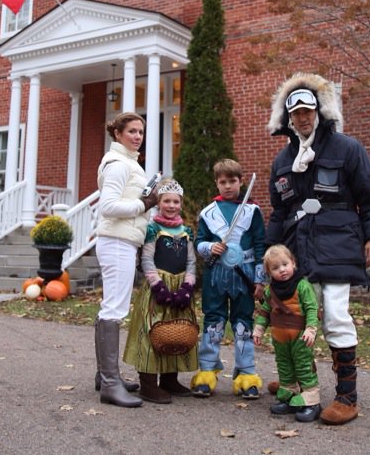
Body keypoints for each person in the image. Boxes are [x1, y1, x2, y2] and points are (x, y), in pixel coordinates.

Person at [265, 73, 370, 425]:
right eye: (296, 114)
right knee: (291, 316)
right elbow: (280, 212)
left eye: (308, 110)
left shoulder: (348, 149)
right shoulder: (281, 161)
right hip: (296, 248)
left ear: (319, 111)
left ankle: (347, 397)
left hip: (339, 244)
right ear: (288, 119)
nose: (302, 118)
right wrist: (269, 254)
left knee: (335, 316)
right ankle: (297, 382)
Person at [92, 111, 160, 408]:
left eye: (141, 132)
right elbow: (107, 206)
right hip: (116, 241)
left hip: (122, 240)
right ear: (117, 134)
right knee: (114, 308)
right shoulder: (119, 164)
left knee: (111, 305)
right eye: (131, 131)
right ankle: (109, 383)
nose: (137, 136)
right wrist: (143, 203)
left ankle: (105, 376)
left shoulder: (128, 163)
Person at [191, 158, 266, 399]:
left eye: (232, 181)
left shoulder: (252, 211)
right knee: (213, 322)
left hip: (243, 274)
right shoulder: (208, 212)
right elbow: (199, 241)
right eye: (223, 182)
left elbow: (259, 245)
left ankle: (246, 373)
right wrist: (209, 247)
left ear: (241, 182)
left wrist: (259, 280)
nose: (228, 186)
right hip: (216, 276)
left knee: (243, 324)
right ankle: (207, 371)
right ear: (217, 183)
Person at [123, 178, 198, 403]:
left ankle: (169, 378)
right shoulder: (153, 228)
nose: (171, 205)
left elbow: (192, 261)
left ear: (181, 204)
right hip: (159, 288)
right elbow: (146, 258)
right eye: (167, 201)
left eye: (176, 201)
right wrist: (157, 286)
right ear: (159, 203)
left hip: (180, 287)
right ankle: (147, 383)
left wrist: (188, 286)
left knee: (176, 331)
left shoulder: (186, 231)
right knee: (152, 331)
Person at [253, 244, 321, 422]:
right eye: (275, 268)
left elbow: (312, 308)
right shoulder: (270, 290)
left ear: (293, 263)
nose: (282, 270)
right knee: (284, 366)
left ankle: (311, 400)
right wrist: (259, 329)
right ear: (269, 272)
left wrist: (311, 329)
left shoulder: (303, 286)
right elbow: (265, 311)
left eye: (285, 264)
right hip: (280, 338)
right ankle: (289, 392)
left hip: (300, 336)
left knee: (303, 365)